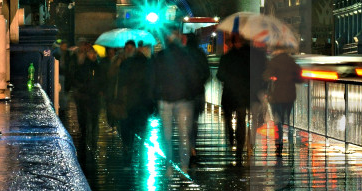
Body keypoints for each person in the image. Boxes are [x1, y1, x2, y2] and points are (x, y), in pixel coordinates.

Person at [151, 28, 206, 167]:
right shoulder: (187, 55)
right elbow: (194, 77)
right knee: (184, 135)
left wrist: (155, 96)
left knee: (167, 135)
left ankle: (169, 165)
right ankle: (184, 165)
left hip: (165, 100)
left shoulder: (160, 56)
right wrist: (193, 93)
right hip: (184, 100)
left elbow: (153, 78)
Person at [216, 32, 267, 164]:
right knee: (241, 119)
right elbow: (263, 73)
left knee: (230, 117)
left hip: (231, 93)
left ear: (232, 42)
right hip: (247, 93)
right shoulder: (255, 56)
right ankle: (240, 148)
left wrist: (229, 79)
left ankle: (232, 137)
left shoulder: (227, 57)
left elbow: (219, 75)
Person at [113, 40, 153, 157]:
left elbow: (121, 81)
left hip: (132, 101)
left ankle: (128, 147)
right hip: (138, 101)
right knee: (137, 127)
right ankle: (136, 149)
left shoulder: (127, 63)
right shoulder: (144, 61)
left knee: (128, 126)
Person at [264, 49, 302, 155]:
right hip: (289, 95)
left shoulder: (273, 61)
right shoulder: (292, 62)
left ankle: (279, 143)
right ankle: (290, 142)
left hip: (276, 95)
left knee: (277, 120)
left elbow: (265, 76)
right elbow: (300, 77)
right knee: (287, 119)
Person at [69, 43, 105, 155]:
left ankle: (93, 142)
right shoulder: (81, 64)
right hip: (83, 96)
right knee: (83, 119)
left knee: (94, 120)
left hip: (94, 96)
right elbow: (75, 77)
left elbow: (101, 78)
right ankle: (84, 140)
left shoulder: (97, 65)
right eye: (89, 52)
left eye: (92, 52)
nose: (91, 54)